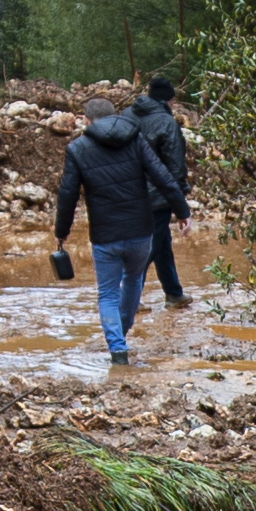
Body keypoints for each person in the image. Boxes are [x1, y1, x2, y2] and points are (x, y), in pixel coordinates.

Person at [48, 92, 179, 363]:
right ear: (115, 115)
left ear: (86, 120)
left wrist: (62, 231)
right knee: (133, 279)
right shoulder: (134, 138)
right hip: (140, 230)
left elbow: (67, 194)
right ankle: (121, 331)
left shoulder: (78, 148)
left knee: (107, 293)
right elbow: (161, 175)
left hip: (105, 235)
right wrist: (183, 210)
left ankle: (117, 349)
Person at [131, 73, 198, 308]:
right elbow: (176, 168)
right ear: (168, 101)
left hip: (129, 193)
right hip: (157, 196)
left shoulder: (128, 116)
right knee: (150, 245)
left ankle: (173, 292)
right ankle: (131, 298)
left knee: (161, 244)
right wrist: (180, 204)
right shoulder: (166, 123)